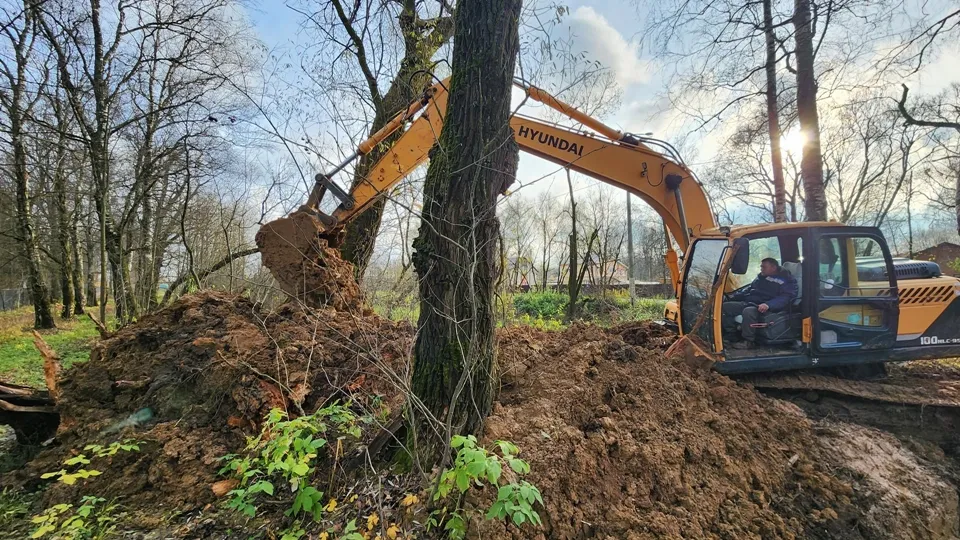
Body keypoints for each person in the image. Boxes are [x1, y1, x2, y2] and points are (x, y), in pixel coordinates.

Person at [722, 257, 798, 348]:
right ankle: (731, 335)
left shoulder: (786, 280)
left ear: (773, 268)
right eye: (761, 266)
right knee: (724, 307)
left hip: (766, 306)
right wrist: (734, 296)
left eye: (764, 267)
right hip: (751, 302)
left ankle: (748, 341)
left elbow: (786, 297)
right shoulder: (761, 277)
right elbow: (750, 289)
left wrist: (768, 304)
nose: (761, 269)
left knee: (748, 311)